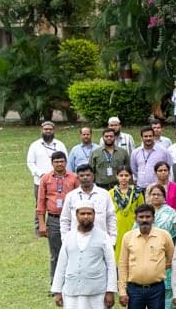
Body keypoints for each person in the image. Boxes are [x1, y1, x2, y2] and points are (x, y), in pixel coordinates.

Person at [51, 200, 118, 309]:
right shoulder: (69, 238)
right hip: (72, 290)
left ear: (95, 215)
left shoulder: (103, 237)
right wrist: (57, 291)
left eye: (89, 213)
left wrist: (110, 291)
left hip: (97, 291)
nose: (86, 217)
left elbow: (111, 265)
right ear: (77, 215)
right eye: (83, 213)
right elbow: (61, 264)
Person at [118, 203, 175, 309]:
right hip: (134, 289)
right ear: (136, 218)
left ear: (153, 218)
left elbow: (171, 259)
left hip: (156, 288)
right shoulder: (128, 237)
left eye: (147, 217)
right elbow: (122, 264)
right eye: (141, 217)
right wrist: (122, 290)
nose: (144, 220)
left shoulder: (163, 236)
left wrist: (154, 270)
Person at [36, 151, 79, 285]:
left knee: (73, 250)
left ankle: (72, 281)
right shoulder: (45, 179)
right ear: (52, 163)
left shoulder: (74, 178)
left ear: (66, 162)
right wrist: (42, 224)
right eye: (56, 161)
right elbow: (41, 202)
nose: (59, 164)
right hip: (53, 219)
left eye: (62, 161)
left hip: (72, 219)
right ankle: (55, 283)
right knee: (55, 253)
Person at [27, 121, 68, 231]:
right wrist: (41, 174)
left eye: (50, 129)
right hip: (39, 181)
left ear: (53, 130)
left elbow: (65, 161)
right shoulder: (35, 145)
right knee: (39, 203)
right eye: (46, 129)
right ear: (42, 130)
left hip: (58, 180)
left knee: (58, 202)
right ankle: (39, 227)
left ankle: (59, 226)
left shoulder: (60, 145)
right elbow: (30, 162)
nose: (48, 131)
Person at [60, 163, 115, 243]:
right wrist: (65, 240)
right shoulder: (71, 196)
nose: (85, 178)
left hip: (100, 241)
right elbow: (65, 219)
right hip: (77, 241)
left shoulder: (104, 194)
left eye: (88, 175)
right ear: (77, 178)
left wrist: (112, 240)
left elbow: (111, 218)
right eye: (82, 176)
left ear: (93, 176)